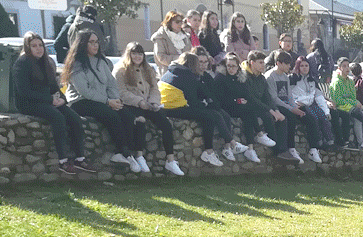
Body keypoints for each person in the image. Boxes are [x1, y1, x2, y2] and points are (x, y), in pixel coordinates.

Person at [63, 29, 142, 173]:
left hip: (103, 100)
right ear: (82, 44)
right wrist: (107, 102)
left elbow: (111, 83)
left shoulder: (101, 61)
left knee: (127, 115)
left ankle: (127, 152)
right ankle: (123, 152)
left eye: (97, 42)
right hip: (81, 102)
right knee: (110, 115)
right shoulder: (76, 64)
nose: (95, 45)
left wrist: (114, 99)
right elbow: (85, 91)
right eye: (91, 42)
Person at [13, 31, 90, 176]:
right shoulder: (22, 63)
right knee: (58, 118)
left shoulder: (46, 62)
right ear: (27, 47)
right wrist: (50, 100)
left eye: (40, 45)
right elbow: (24, 91)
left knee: (73, 117)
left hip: (47, 101)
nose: (38, 48)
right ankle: (63, 161)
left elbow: (54, 87)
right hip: (29, 103)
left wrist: (62, 99)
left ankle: (80, 158)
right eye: (34, 46)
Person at [113, 42, 184, 175]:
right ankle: (139, 156)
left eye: (140, 53)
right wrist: (139, 102)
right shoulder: (120, 70)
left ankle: (170, 160)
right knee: (140, 121)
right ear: (129, 54)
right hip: (131, 105)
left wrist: (154, 102)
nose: (137, 56)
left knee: (166, 124)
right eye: (134, 53)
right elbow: (121, 92)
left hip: (149, 105)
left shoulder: (148, 70)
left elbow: (154, 88)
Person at [159, 52, 235, 167]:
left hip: (164, 106)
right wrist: (205, 105)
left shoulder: (172, 70)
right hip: (173, 108)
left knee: (209, 116)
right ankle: (231, 143)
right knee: (211, 115)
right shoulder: (187, 76)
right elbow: (193, 101)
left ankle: (210, 151)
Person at [214, 52, 277, 155]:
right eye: (229, 66)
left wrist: (240, 101)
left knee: (249, 112)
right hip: (225, 107)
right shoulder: (220, 78)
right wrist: (237, 101)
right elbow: (222, 98)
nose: (231, 69)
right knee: (248, 108)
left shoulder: (240, 77)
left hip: (237, 106)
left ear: (237, 67)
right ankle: (259, 134)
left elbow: (245, 95)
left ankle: (251, 148)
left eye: (233, 66)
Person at [265, 50, 317, 164]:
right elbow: (274, 99)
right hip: (277, 106)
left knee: (309, 117)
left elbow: (289, 96)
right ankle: (290, 148)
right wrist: (291, 109)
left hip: (287, 105)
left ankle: (314, 149)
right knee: (291, 117)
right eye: (287, 63)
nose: (290, 66)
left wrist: (296, 108)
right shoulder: (270, 77)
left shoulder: (284, 76)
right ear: (278, 63)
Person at [291, 56, 336, 155]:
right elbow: (290, 95)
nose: (304, 68)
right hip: (300, 106)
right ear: (297, 67)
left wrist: (326, 111)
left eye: (306, 65)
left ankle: (330, 141)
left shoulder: (312, 80)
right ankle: (318, 142)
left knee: (322, 116)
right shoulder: (292, 79)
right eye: (301, 66)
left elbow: (319, 97)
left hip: (311, 105)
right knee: (313, 118)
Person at [331, 58, 363, 153]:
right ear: (339, 68)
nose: (347, 68)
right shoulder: (336, 82)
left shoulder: (350, 82)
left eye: (348, 66)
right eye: (344, 66)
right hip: (342, 108)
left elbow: (352, 97)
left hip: (351, 108)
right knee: (359, 116)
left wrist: (353, 101)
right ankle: (362, 142)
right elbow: (338, 100)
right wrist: (353, 102)